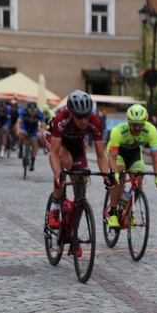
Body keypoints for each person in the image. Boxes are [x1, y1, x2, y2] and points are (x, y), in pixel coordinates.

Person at [46, 90, 112, 254]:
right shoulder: (62, 119)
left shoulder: (95, 121)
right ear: (71, 112)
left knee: (81, 184)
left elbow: (100, 155)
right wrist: (57, 174)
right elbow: (53, 153)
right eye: (79, 117)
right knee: (65, 162)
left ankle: (71, 231)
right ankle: (55, 206)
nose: (83, 121)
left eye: (86, 116)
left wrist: (107, 176)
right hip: (57, 143)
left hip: (76, 145)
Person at [105, 104, 157, 229]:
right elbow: (112, 157)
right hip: (118, 154)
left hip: (135, 153)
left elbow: (156, 155)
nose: (137, 127)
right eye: (133, 124)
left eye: (140, 124)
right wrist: (115, 174)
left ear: (145, 122)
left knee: (138, 183)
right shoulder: (118, 131)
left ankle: (127, 207)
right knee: (119, 178)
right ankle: (114, 213)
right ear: (128, 122)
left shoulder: (151, 130)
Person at [18, 101, 45, 171]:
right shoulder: (24, 111)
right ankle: (20, 149)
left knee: (34, 142)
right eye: (31, 111)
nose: (32, 112)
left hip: (34, 129)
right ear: (28, 109)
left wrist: (40, 132)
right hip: (25, 126)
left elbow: (43, 126)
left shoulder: (40, 113)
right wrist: (18, 130)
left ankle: (32, 162)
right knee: (21, 135)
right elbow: (19, 122)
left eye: (34, 111)